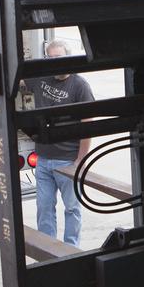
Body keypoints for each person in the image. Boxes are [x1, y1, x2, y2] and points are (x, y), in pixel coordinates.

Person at [30, 39, 94, 247]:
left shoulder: (80, 86)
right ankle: (48, 249)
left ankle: (71, 248)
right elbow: (17, 80)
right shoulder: (41, 78)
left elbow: (88, 127)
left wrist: (80, 162)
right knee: (44, 208)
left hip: (67, 161)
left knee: (72, 209)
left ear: (69, 58)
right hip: (44, 160)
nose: (55, 63)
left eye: (59, 58)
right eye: (51, 59)